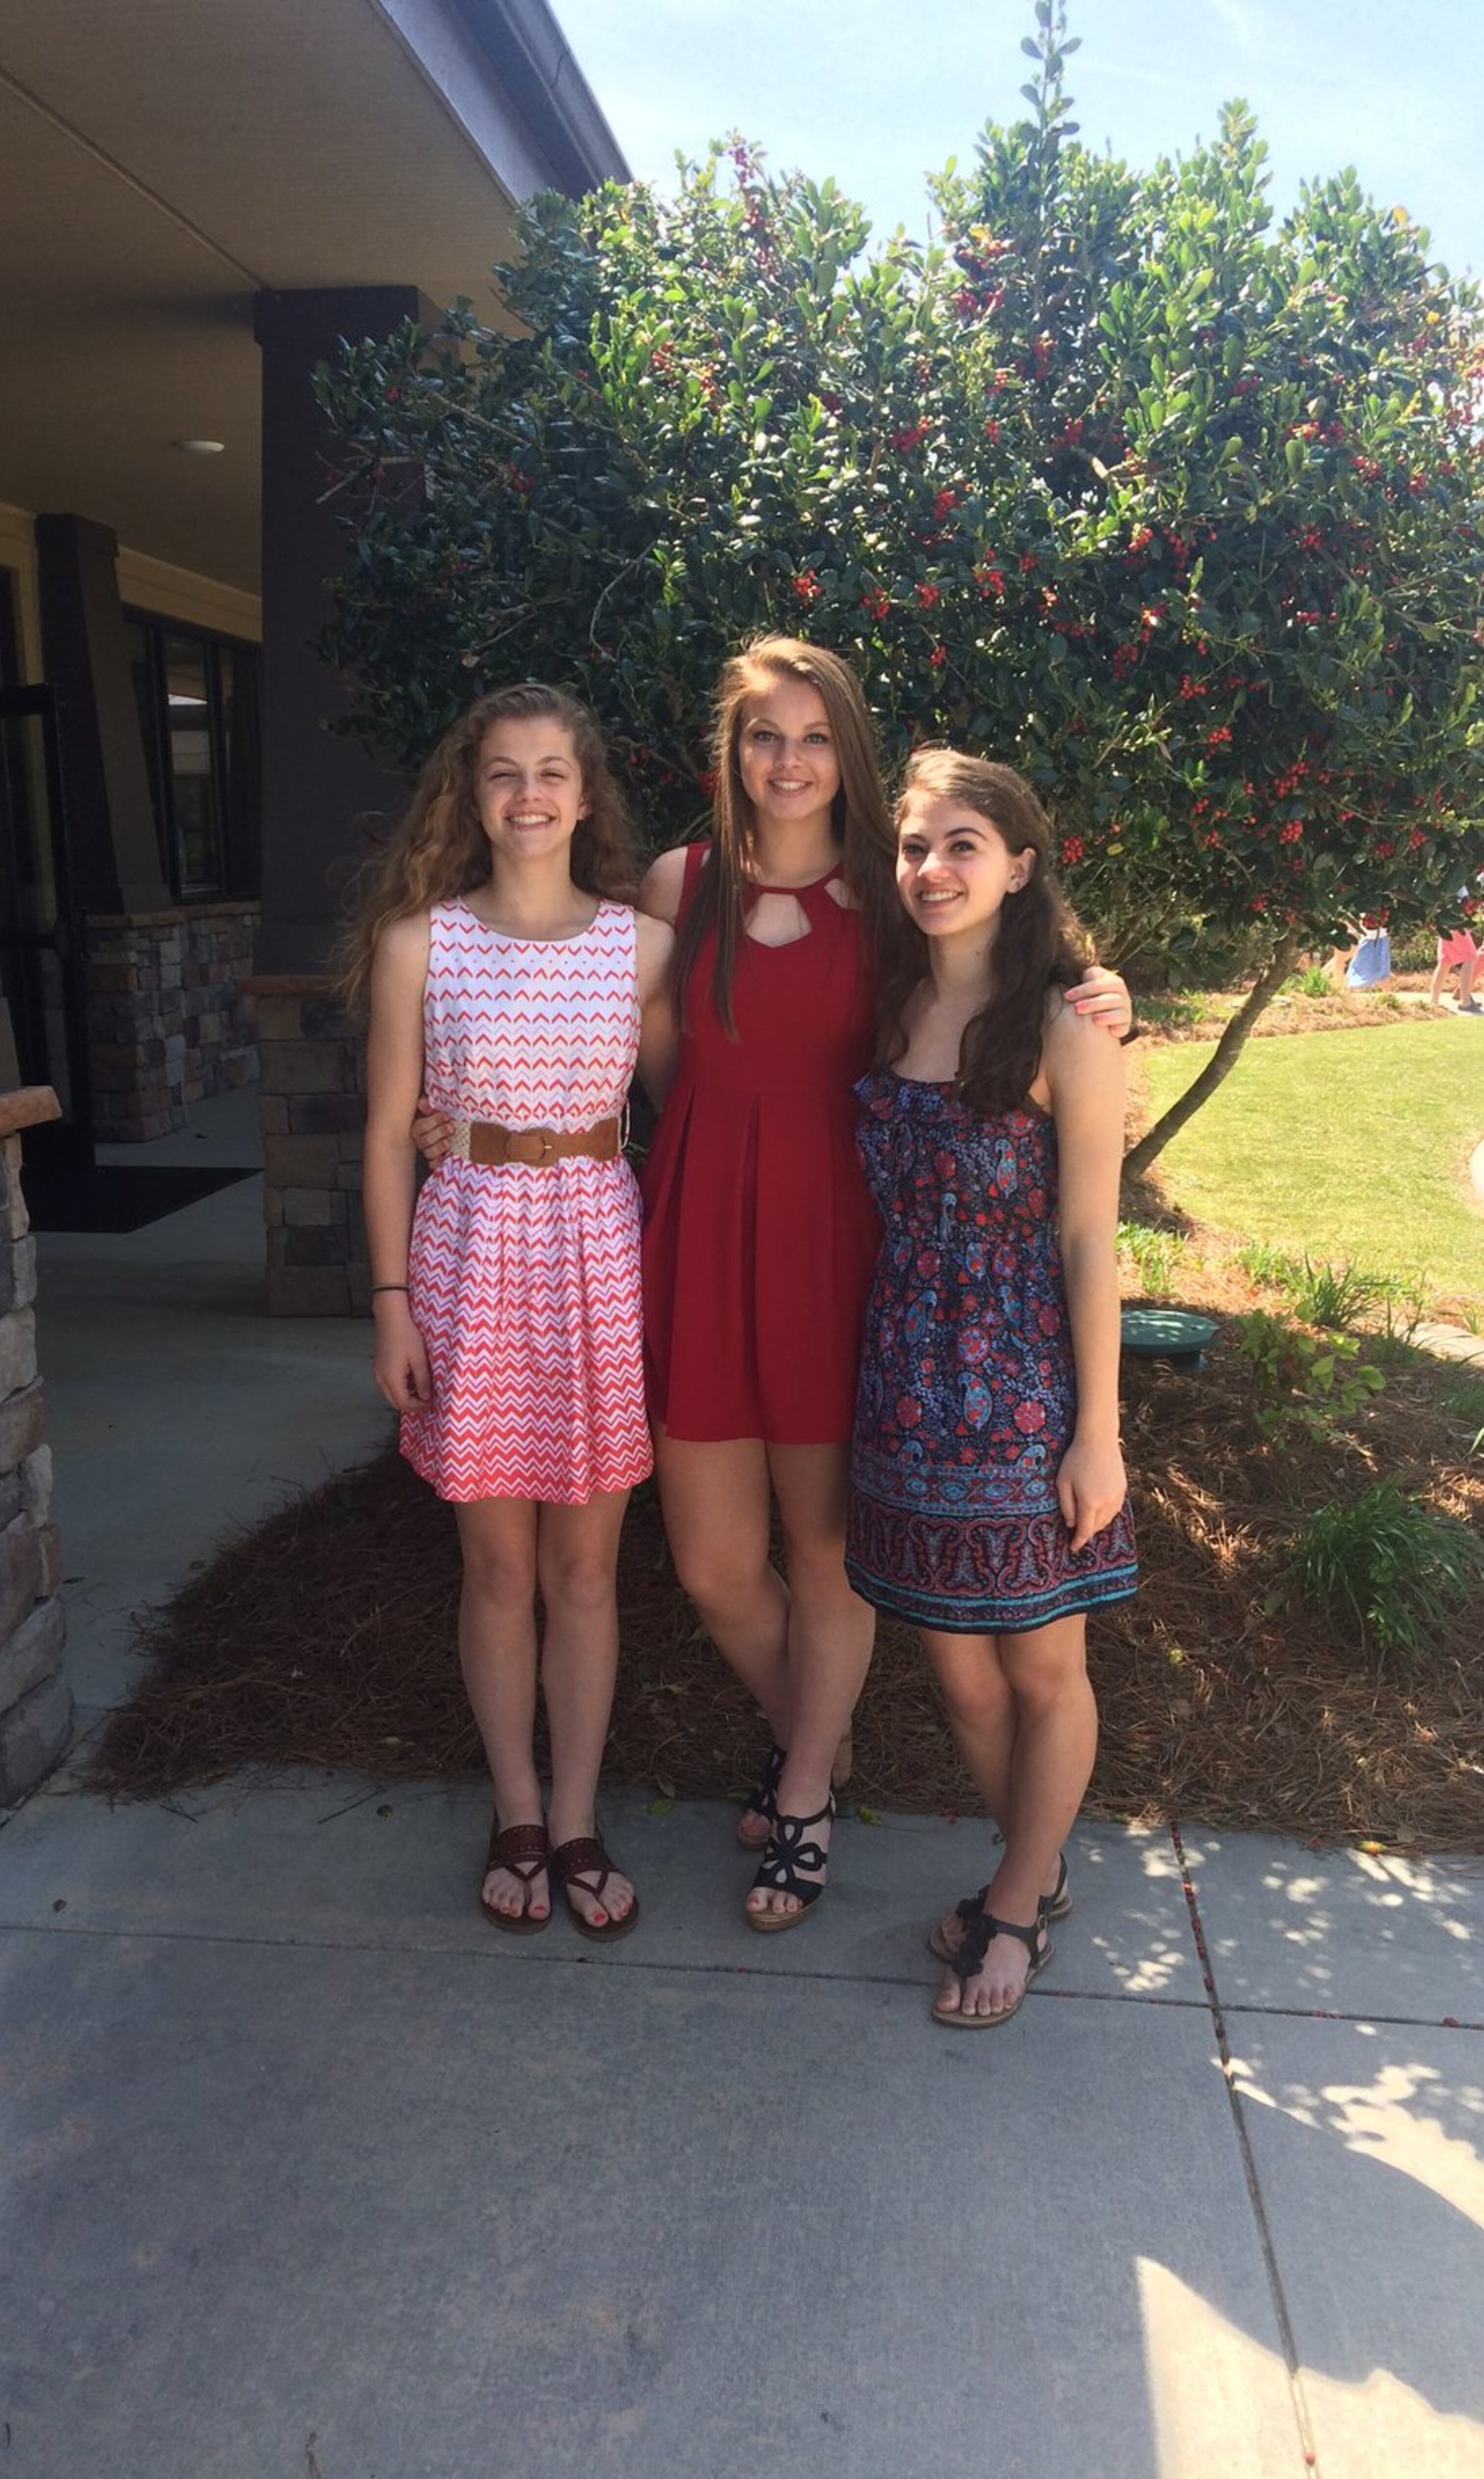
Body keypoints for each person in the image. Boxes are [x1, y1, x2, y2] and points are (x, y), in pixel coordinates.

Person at [417, 639, 1132, 1930]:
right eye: (763, 737)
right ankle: (821, 1730)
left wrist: (1095, 988)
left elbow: (998, 988)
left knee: (826, 1552)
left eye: (812, 737)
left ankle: (803, 1793)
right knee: (709, 1562)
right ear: (729, 753)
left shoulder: (893, 889)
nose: (787, 762)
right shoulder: (676, 886)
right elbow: (622, 1057)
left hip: (845, 1251)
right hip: (697, 1229)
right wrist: (464, 1121)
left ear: (844, 753)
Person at [346, 683, 676, 1938]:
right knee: (496, 1564)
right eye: (502, 771)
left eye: (552, 772)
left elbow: (708, 1103)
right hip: (468, 1256)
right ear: (469, 792)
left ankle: (582, 1813)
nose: (527, 794)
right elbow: (386, 1137)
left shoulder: (638, 943)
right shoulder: (418, 944)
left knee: (586, 1570)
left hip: (597, 1253)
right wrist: (389, 1305)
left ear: (586, 796)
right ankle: (518, 1807)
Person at [844, 748, 1136, 2027]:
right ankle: (1040, 1857)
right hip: (902, 1388)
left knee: (1043, 1673)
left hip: (1021, 1397)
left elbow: (1090, 1242)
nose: (934, 868)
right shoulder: (886, 1004)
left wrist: (1100, 1435)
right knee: (959, 1679)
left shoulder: (1073, 1028)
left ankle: (1014, 1910)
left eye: (964, 844)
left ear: (1020, 866)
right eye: (916, 846)